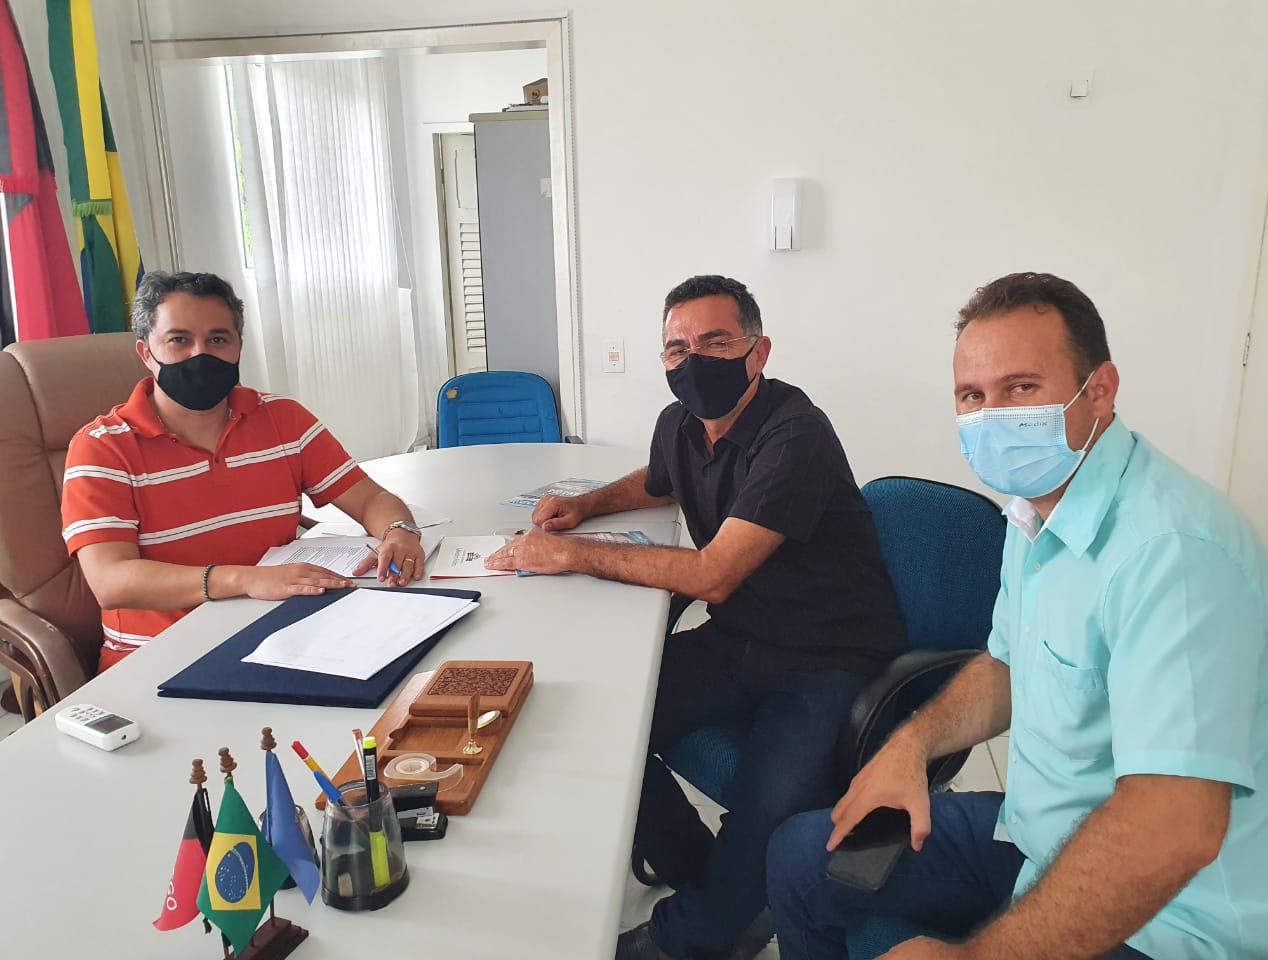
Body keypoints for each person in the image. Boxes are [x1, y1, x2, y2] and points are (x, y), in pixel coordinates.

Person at [765, 272, 1268, 960]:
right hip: (1038, 841)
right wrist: (911, 746)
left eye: (1021, 388)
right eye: (972, 397)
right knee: (801, 860)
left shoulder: (1174, 555)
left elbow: (1173, 831)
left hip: (1172, 917)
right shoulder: (1035, 509)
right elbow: (1005, 664)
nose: (993, 418)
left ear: (1099, 390)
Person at [485, 275, 906, 960]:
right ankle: (704, 879)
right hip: (741, 636)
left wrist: (573, 553)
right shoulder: (679, 423)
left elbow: (713, 574)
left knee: (769, 812)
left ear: (758, 351)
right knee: (596, 723)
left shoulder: (795, 434)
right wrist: (587, 505)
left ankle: (694, 938)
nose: (694, 361)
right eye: (677, 349)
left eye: (716, 342)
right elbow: (659, 481)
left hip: (828, 656)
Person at [61, 270, 428, 672]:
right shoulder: (102, 448)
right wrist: (246, 580)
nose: (200, 354)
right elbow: (111, 581)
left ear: (238, 346)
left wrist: (399, 532)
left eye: (217, 339)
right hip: (160, 660)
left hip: (284, 636)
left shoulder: (283, 419)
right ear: (146, 352)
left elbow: (371, 498)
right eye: (179, 340)